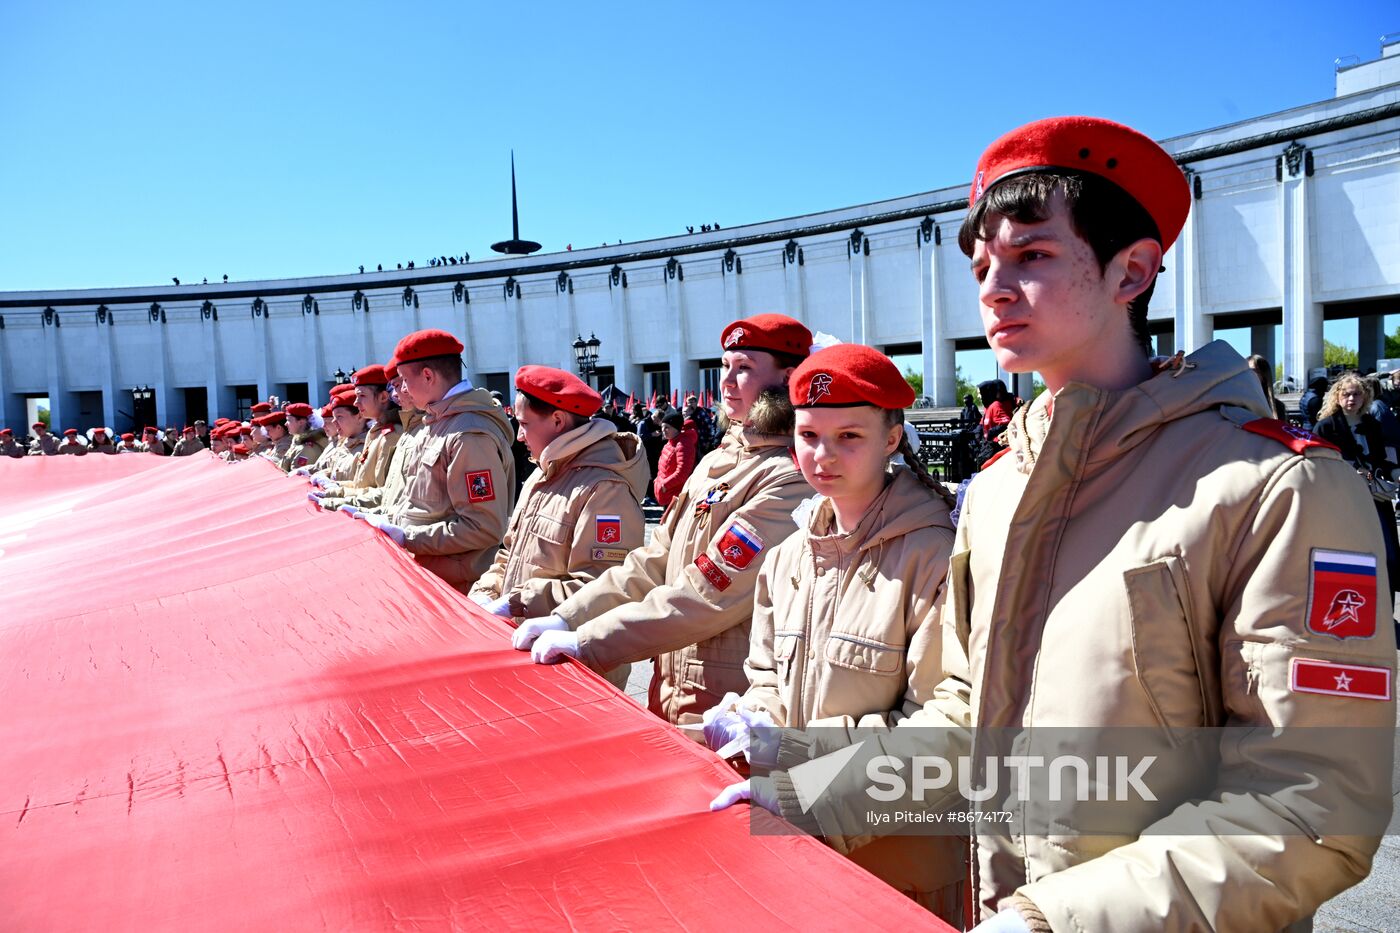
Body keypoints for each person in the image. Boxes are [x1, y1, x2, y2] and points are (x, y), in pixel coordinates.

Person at [781, 117, 1394, 932]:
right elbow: (971, 708)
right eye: (982, 265)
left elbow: (1312, 800)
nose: (994, 288)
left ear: (1131, 270)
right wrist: (803, 790)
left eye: (1032, 255)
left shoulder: (1277, 486)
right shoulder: (998, 490)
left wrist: (1055, 919)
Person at [705, 344, 965, 923]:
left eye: (850, 436)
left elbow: (941, 731)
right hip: (792, 843)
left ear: (892, 439)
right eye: (808, 435)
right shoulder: (788, 557)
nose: (823, 456)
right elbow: (766, 676)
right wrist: (755, 719)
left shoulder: (935, 557)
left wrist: (798, 767)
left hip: (898, 867)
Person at [518, 314, 814, 730]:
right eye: (725, 366)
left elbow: (707, 593)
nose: (726, 382)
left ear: (788, 380)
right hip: (675, 686)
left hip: (731, 706)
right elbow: (654, 559)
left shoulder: (790, 478)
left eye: (744, 369)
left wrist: (590, 640)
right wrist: (568, 616)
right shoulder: (719, 460)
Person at [469, 366, 649, 688]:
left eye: (524, 424)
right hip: (526, 647)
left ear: (557, 421)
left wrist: (516, 601)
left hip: (573, 666)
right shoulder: (543, 474)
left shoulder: (605, 488)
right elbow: (509, 552)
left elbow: (603, 585)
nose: (519, 435)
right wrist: (483, 595)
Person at [353, 329, 515, 594]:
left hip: (457, 585)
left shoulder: (468, 434)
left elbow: (483, 528)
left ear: (428, 376)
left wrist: (408, 537)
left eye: (404, 380)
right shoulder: (437, 423)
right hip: (430, 576)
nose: (400, 391)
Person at [1313, 372, 1400, 609]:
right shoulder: (1325, 427)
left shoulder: (1372, 425)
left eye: (1356, 394)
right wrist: (1349, 471)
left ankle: (1382, 613)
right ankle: (1344, 610)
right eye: (1346, 394)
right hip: (1342, 502)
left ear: (1365, 397)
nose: (1351, 398)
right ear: (1337, 396)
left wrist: (1392, 473)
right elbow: (1316, 465)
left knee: (1387, 555)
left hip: (1375, 498)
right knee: (1347, 558)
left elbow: (1383, 459)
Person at [652, 411, 697, 507]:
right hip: (668, 493)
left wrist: (664, 485)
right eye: (662, 427)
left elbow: (682, 473)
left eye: (667, 427)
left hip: (675, 495)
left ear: (676, 429)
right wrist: (657, 481)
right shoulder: (670, 443)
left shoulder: (683, 444)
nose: (663, 430)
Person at [280, 403, 327, 473]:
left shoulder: (307, 448)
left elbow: (297, 478)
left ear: (301, 422)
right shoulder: (297, 441)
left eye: (289, 420)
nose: (285, 424)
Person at [1245, 354, 1287, 420]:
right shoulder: (1238, 404)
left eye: (1252, 370)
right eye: (1245, 371)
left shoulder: (1278, 406)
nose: (1247, 374)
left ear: (1263, 376)